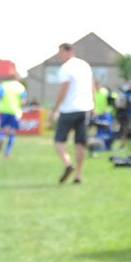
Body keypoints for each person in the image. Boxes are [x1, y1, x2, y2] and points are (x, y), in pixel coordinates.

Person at [52, 43, 94, 184]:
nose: (60, 56)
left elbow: (63, 90)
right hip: (84, 109)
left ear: (69, 52)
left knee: (58, 141)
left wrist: (54, 109)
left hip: (68, 109)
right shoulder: (85, 66)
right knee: (80, 143)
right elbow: (91, 86)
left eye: (61, 53)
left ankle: (68, 164)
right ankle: (78, 175)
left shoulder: (66, 68)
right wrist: (93, 104)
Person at [0, 71, 27, 157]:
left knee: (2, 128)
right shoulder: (21, 87)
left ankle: (1, 137)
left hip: (4, 110)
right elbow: (23, 101)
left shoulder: (3, 85)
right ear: (17, 78)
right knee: (12, 131)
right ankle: (7, 151)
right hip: (14, 111)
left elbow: (0, 96)